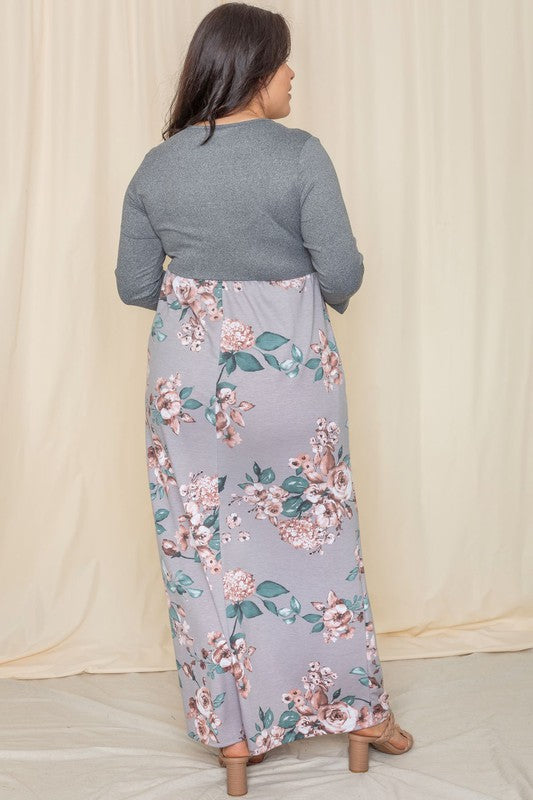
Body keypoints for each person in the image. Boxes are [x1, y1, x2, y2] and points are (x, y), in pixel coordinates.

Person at [115, 2, 413, 795]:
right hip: (287, 374)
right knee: (321, 541)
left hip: (185, 383)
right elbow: (342, 275)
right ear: (253, 68)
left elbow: (134, 285)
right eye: (284, 63)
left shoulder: (157, 165)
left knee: (201, 552)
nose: (292, 77)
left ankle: (236, 740)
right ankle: (356, 719)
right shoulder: (300, 154)